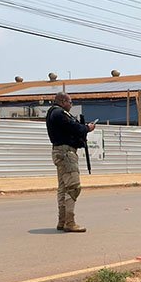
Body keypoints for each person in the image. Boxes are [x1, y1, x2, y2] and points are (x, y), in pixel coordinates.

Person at [45, 93, 95, 232]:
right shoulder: (60, 113)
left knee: (63, 188)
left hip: (61, 152)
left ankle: (62, 221)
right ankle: (70, 222)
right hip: (66, 153)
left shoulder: (53, 113)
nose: (71, 105)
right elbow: (74, 128)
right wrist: (87, 128)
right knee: (73, 187)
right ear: (63, 101)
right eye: (70, 102)